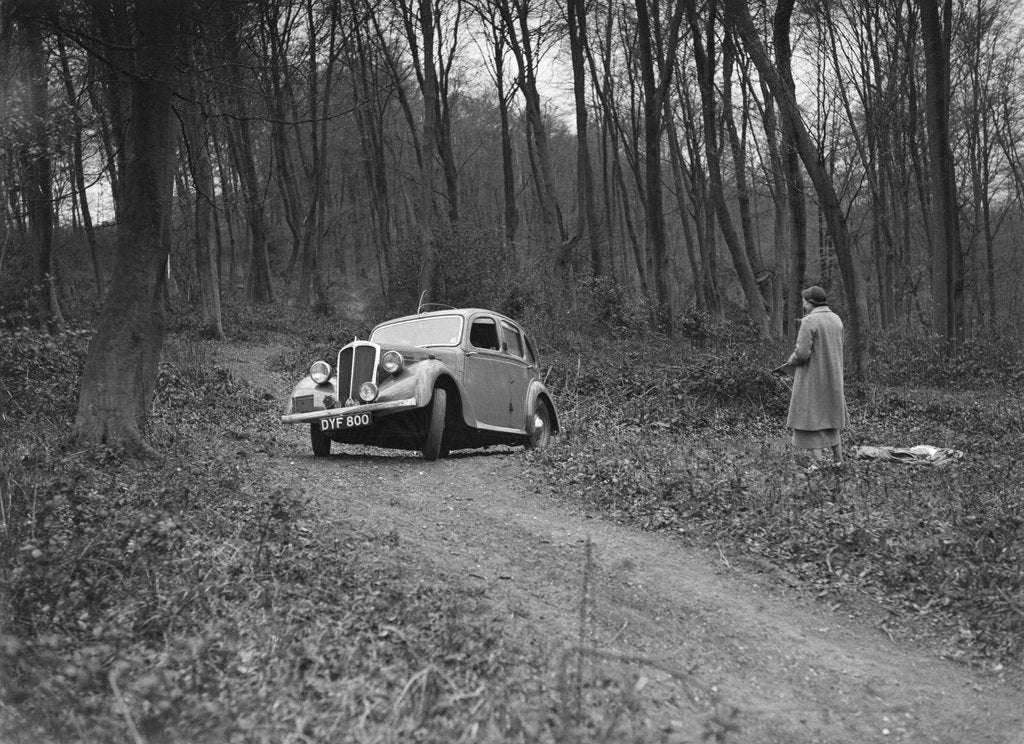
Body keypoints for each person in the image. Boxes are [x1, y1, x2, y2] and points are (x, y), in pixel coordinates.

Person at [775, 286, 849, 469]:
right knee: (831, 421)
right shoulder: (836, 319)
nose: (802, 304)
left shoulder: (809, 321)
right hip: (833, 377)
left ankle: (820, 465)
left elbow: (802, 353)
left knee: (809, 421)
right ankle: (838, 461)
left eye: (803, 300)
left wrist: (789, 362)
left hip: (813, 379)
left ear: (810, 302)